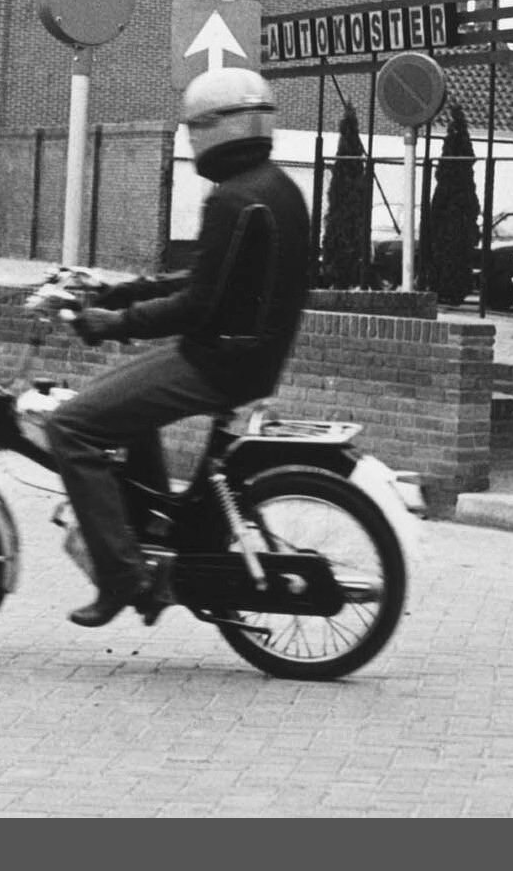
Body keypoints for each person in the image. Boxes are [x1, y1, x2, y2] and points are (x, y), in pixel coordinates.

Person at [40, 64, 311, 628]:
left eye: (194, 128)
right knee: (124, 409)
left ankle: (122, 577)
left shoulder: (232, 199)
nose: (190, 139)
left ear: (218, 127)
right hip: (248, 356)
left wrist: (110, 323)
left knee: (72, 426)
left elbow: (195, 307)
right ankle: (153, 527)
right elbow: (209, 281)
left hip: (217, 362)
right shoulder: (277, 188)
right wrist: (122, 291)